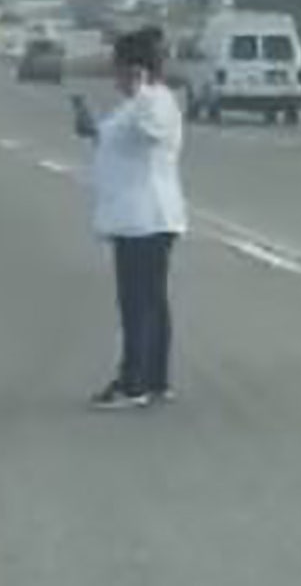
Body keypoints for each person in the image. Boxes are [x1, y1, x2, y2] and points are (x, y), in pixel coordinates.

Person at [77, 26, 187, 410]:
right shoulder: (134, 104)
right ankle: (155, 379)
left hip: (147, 219)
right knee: (150, 301)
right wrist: (91, 128)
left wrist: (140, 89)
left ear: (136, 70)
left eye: (120, 70)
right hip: (137, 217)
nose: (115, 78)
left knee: (137, 303)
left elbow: (150, 131)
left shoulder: (154, 101)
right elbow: (116, 138)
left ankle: (133, 382)